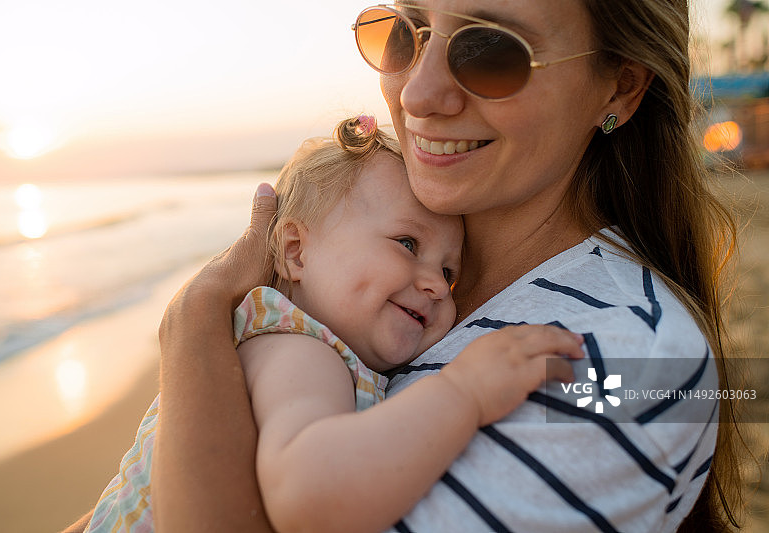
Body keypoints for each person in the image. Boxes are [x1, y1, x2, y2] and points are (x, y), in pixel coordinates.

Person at [142, 1, 745, 532]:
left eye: (489, 49)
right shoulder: (358, 297)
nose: (416, 94)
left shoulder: (626, 358)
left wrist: (193, 322)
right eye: (403, 32)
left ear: (620, 88)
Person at [78, 117, 585, 533]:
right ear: (297, 251)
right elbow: (308, 495)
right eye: (407, 244)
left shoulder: (650, 366)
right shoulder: (298, 350)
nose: (435, 283)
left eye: (450, 274)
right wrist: (465, 393)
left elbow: (649, 393)